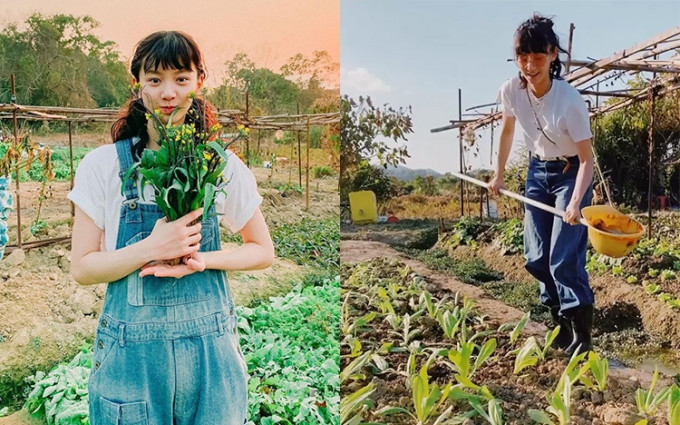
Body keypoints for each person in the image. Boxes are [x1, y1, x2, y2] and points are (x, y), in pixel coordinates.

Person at [68, 31, 274, 425]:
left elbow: (262, 251)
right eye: (155, 79)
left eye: (181, 79)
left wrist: (200, 259)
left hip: (211, 359)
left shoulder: (219, 166)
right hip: (132, 362)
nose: (168, 93)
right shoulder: (101, 166)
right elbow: (83, 268)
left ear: (199, 82)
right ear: (137, 84)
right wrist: (151, 246)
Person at [488, 14, 594, 356]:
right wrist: (499, 173)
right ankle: (560, 325)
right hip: (537, 174)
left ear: (552, 55)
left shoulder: (571, 102)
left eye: (537, 57)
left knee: (563, 259)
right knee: (536, 257)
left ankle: (583, 337)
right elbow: (506, 132)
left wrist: (576, 202)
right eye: (523, 58)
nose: (529, 66)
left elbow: (587, 161)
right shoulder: (511, 91)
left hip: (569, 174)